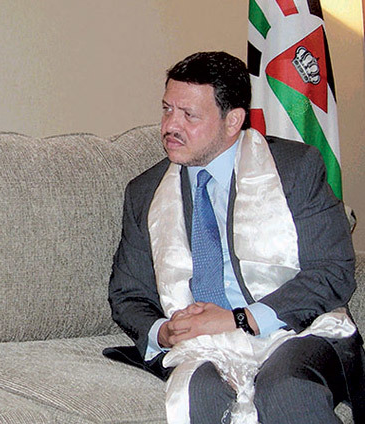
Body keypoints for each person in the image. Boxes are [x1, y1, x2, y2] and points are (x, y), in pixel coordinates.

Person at [106, 51, 364, 423]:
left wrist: (241, 320)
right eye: (166, 110)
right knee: (198, 393)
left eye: (189, 115)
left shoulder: (296, 169)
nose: (169, 126)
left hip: (298, 332)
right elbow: (128, 293)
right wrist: (165, 332)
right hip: (203, 347)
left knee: (285, 387)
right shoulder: (144, 192)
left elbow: (332, 270)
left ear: (233, 121)